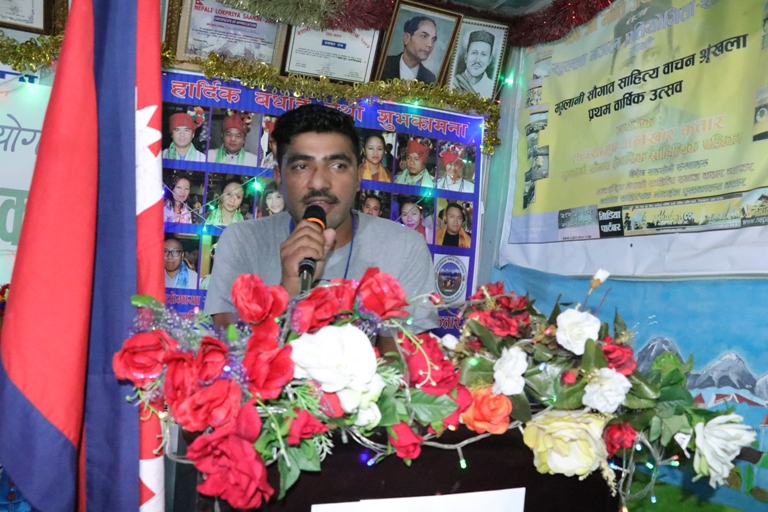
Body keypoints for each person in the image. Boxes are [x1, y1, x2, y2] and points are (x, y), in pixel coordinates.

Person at [204, 103, 438, 338]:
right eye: (301, 166)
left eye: (337, 166)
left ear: (359, 176)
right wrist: (289, 290)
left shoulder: (404, 247)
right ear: (279, 177)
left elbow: (408, 357)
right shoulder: (242, 240)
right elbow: (229, 348)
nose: (319, 183)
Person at [381, 16, 438, 83]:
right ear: (406, 38)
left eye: (433, 40)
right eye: (424, 36)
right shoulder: (383, 64)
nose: (430, 44)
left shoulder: (430, 78)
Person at [451, 30, 495, 98]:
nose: (477, 60)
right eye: (474, 53)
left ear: (489, 60)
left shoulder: (492, 87)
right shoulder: (453, 82)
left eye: (483, 54)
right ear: (466, 57)